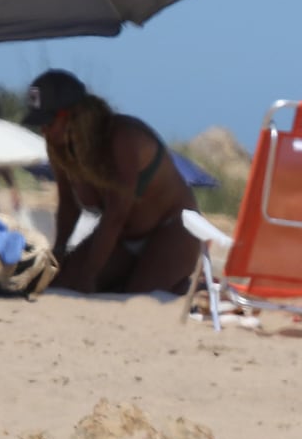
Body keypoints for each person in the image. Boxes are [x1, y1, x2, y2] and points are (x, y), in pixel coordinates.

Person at [22, 70, 200, 294]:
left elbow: (116, 213)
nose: (44, 130)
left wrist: (90, 273)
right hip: (122, 238)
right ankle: (136, 277)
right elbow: (69, 207)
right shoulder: (59, 146)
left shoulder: (123, 138)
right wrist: (58, 254)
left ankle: (187, 283)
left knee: (139, 294)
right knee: (60, 284)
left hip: (171, 227)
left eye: (49, 122)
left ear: (74, 115)